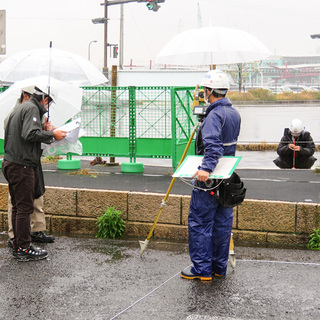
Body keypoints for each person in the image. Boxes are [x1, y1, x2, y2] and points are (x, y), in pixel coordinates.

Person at [181, 70, 241, 281]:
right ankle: (218, 268)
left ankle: (201, 270)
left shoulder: (214, 115)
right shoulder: (234, 113)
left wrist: (205, 169)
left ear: (208, 91)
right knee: (222, 224)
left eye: (205, 90)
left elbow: (213, 147)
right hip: (227, 178)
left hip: (209, 181)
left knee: (200, 222)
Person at [2, 85, 67, 261]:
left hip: (12, 162)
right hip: (22, 166)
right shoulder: (31, 108)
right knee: (24, 208)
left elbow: (26, 133)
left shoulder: (22, 108)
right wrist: (52, 133)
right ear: (45, 99)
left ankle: (18, 244)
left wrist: (44, 130)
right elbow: (29, 134)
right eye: (49, 104)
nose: (48, 108)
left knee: (18, 207)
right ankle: (23, 248)